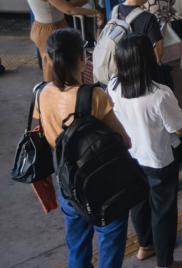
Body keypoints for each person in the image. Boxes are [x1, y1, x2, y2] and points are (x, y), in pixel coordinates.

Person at [35, 28, 131, 268]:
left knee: (77, 247)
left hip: (68, 185)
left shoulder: (40, 93)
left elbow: (46, 136)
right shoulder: (93, 96)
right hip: (102, 185)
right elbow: (124, 141)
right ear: (82, 57)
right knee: (111, 237)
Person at [107, 33, 182, 268]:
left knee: (139, 203)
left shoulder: (113, 86)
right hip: (159, 159)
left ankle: (145, 246)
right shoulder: (159, 94)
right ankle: (166, 263)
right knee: (163, 210)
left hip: (131, 157)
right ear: (147, 58)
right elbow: (180, 130)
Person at [23, 0, 103, 81]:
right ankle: (53, 93)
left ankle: (51, 91)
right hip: (51, 28)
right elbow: (69, 10)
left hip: (40, 27)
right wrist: (95, 12)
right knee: (55, 64)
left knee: (49, 61)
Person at [117, 0, 165, 64]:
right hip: (138, 72)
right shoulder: (148, 18)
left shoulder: (115, 11)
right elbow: (158, 55)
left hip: (118, 70)